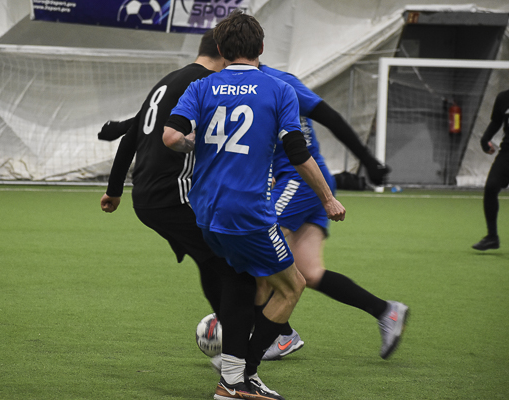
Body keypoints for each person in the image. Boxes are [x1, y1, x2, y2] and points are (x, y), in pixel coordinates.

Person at [163, 10, 345, 400]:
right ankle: (241, 376)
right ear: (261, 47)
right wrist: (327, 198)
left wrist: (198, 145)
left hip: (205, 210)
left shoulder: (201, 86)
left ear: (220, 48)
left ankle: (232, 380)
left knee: (240, 281)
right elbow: (297, 152)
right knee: (292, 286)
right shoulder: (278, 89)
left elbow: (171, 137)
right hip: (248, 212)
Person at [99, 29, 259, 378]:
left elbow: (132, 135)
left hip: (146, 197)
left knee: (211, 262)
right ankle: (238, 355)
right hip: (175, 196)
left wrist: (115, 189)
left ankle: (233, 338)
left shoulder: (169, 80)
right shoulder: (205, 84)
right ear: (224, 52)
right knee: (237, 266)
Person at [256, 64, 409, 361]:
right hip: (304, 180)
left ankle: (278, 334)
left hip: (299, 179)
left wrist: (368, 160)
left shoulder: (278, 80)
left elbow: (330, 117)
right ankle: (386, 311)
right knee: (310, 273)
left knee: (258, 248)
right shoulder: (243, 81)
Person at [472, 89, 509, 251]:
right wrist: (485, 139)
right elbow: (496, 121)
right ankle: (492, 237)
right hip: (507, 152)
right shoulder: (504, 97)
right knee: (491, 187)